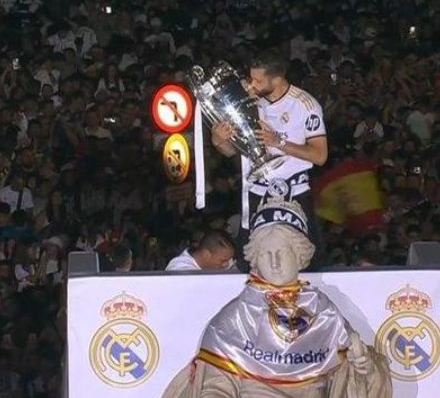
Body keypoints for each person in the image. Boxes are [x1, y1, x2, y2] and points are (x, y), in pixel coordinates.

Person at [162, 198, 392, 398]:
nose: (275, 263)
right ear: (255, 260)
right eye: (266, 254)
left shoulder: (323, 311)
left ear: (300, 256)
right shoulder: (236, 317)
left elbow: (350, 380)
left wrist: (363, 366)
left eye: (282, 252)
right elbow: (216, 386)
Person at [211, 51, 328, 266]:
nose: (251, 85)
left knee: (306, 260)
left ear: (277, 79)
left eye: (258, 81)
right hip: (257, 191)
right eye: (251, 78)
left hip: (294, 192)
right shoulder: (249, 101)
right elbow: (231, 152)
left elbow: (320, 156)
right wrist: (219, 140)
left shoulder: (304, 105)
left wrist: (278, 142)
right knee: (250, 261)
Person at [166, 230, 235, 271]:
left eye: (228, 260)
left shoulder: (222, 258)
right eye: (223, 261)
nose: (227, 264)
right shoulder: (179, 269)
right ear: (206, 254)